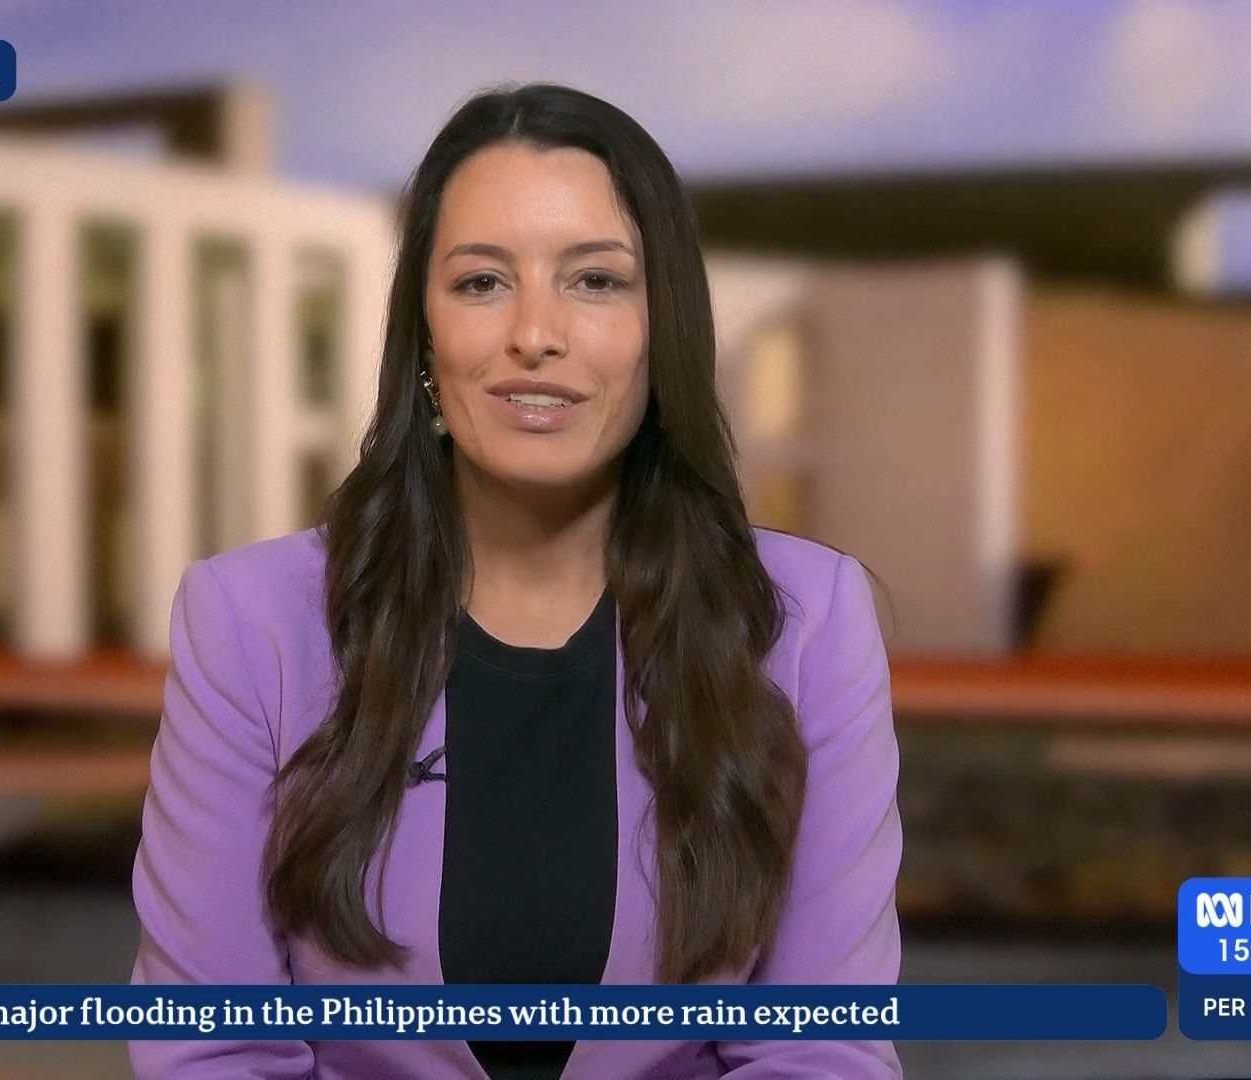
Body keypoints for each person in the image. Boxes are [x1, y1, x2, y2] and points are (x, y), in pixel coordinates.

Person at [129, 81, 903, 1079]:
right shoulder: (250, 624)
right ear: (424, 335)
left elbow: (823, 1052)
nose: (536, 333)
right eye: (483, 282)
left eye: (596, 280)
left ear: (662, 326)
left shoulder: (807, 626)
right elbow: (211, 1050)